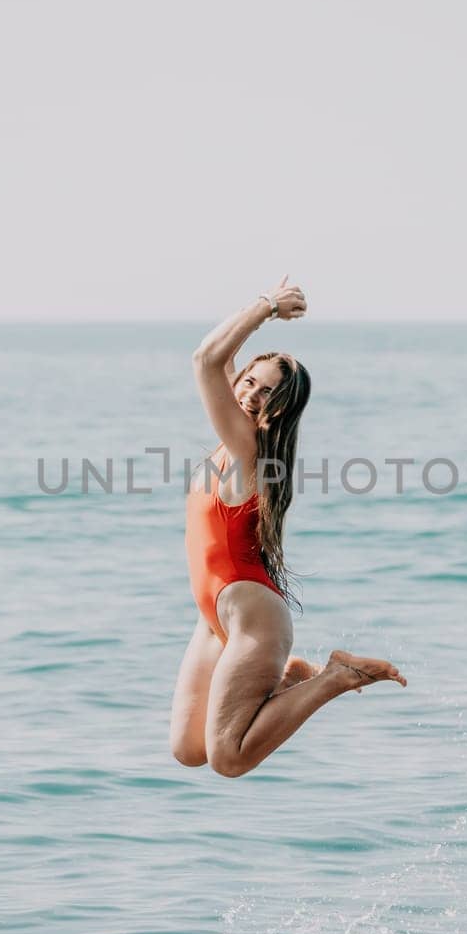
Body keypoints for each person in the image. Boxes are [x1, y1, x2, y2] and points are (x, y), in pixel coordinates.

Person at [169, 275, 407, 778]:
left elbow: (205, 360)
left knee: (229, 758)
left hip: (253, 621)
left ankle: (335, 677)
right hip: (213, 622)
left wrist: (267, 306)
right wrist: (255, 341)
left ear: (281, 410)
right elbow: (223, 362)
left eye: (268, 393)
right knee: (190, 749)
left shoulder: (249, 451)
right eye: (248, 382)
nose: (252, 395)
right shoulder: (230, 435)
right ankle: (293, 677)